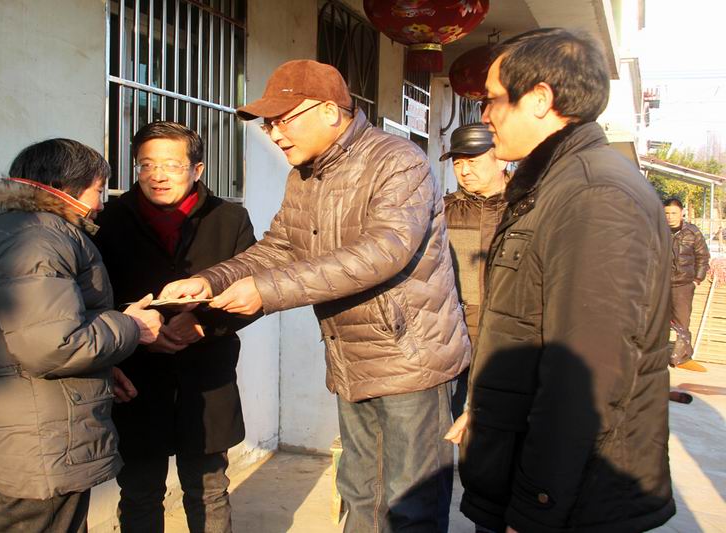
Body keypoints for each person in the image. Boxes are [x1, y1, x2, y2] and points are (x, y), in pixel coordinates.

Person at [160, 59, 470, 532]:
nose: (275, 134)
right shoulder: (304, 176)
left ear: (329, 111)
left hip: (411, 359)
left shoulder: (397, 160)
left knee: (411, 505)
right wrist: (211, 282)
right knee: (360, 495)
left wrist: (265, 292)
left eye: (283, 119)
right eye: (268, 124)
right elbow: (279, 248)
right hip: (352, 360)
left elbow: (384, 251)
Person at [444, 28, 675, 533]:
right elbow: (525, 328)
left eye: (493, 100)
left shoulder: (594, 195)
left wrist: (537, 507)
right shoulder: (551, 186)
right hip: (528, 467)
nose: (485, 116)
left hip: (569, 501)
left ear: (540, 99)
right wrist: (486, 408)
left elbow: (588, 374)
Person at [0, 139, 163, 533]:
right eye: (98, 189)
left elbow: (33, 329)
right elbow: (54, 346)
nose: (101, 203)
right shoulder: (38, 237)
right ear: (63, 188)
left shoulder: (5, 229)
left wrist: (102, 369)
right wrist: (132, 327)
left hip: (28, 422)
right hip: (43, 434)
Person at [92, 121, 258, 533]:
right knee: (140, 492)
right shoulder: (110, 220)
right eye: (146, 165)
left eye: (171, 165)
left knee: (209, 490)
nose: (157, 176)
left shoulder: (229, 219)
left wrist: (203, 324)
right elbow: (89, 297)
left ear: (197, 169)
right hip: (136, 378)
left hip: (206, 379)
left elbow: (256, 292)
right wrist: (135, 331)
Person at [440, 123, 509, 415]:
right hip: (454, 340)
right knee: (453, 423)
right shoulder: (442, 211)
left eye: (473, 161)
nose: (464, 171)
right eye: (458, 163)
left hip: (509, 342)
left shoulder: (528, 208)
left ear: (501, 159)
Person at [664, 197, 710, 353]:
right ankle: (657, 355)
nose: (670, 217)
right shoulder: (657, 230)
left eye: (674, 213)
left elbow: (703, 256)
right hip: (660, 285)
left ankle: (682, 356)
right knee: (656, 321)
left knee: (682, 323)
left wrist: (697, 279)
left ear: (681, 213)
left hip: (683, 285)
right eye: (667, 213)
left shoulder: (692, 232)